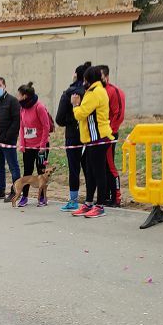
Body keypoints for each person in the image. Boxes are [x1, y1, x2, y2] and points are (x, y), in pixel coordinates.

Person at [71, 65, 113, 218]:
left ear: (88, 80)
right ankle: (89, 202)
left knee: (98, 173)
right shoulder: (96, 90)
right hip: (91, 140)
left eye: (84, 80)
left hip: (98, 138)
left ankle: (100, 205)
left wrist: (75, 104)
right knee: (90, 172)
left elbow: (81, 114)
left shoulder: (94, 92)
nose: (83, 83)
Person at [55, 62, 89, 212]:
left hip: (73, 135)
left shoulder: (69, 93)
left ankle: (74, 200)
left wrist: (71, 119)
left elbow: (59, 119)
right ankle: (90, 200)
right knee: (89, 168)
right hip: (89, 135)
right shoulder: (91, 92)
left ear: (76, 74)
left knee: (74, 168)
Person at [16, 82, 52, 207]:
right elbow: (22, 126)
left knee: (41, 171)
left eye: (19, 95)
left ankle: (42, 197)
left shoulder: (39, 107)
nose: (17, 97)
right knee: (27, 171)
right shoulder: (22, 108)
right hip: (28, 146)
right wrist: (22, 143)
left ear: (25, 96)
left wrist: (42, 146)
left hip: (40, 146)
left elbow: (46, 126)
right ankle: (24, 197)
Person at [0, 77, 21, 201]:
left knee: (13, 166)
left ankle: (15, 191)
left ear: (4, 86)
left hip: (7, 142)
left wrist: (7, 137)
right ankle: (0, 190)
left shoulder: (12, 101)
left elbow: (16, 121)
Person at [98, 65, 125, 206]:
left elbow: (118, 114)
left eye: (100, 76)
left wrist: (110, 133)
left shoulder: (114, 91)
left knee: (110, 165)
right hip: (98, 135)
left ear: (106, 76)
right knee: (101, 166)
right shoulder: (97, 91)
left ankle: (117, 197)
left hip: (109, 134)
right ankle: (107, 195)